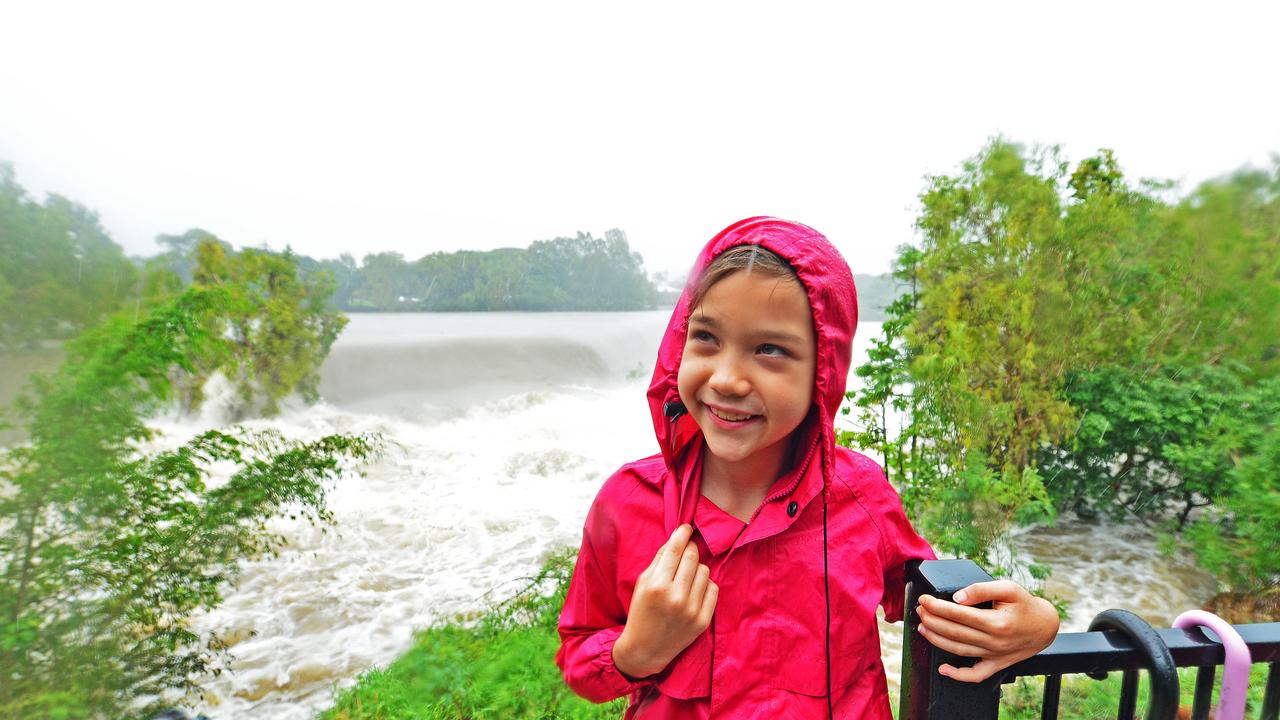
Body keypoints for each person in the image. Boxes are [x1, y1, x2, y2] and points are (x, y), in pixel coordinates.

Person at [556, 217, 1060, 718]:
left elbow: (934, 602)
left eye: (770, 350)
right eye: (705, 336)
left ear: (823, 369)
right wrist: (636, 652)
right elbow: (579, 653)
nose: (728, 379)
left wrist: (1036, 624)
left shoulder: (861, 495)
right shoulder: (628, 502)